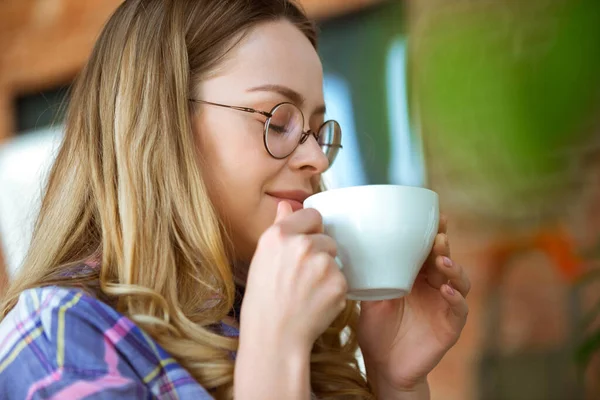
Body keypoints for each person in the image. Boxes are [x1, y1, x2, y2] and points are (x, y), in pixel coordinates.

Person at [0, 0, 470, 398]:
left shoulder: (297, 327)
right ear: (163, 125)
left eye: (315, 128)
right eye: (276, 119)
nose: (316, 159)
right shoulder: (60, 337)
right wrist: (274, 353)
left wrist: (394, 380)